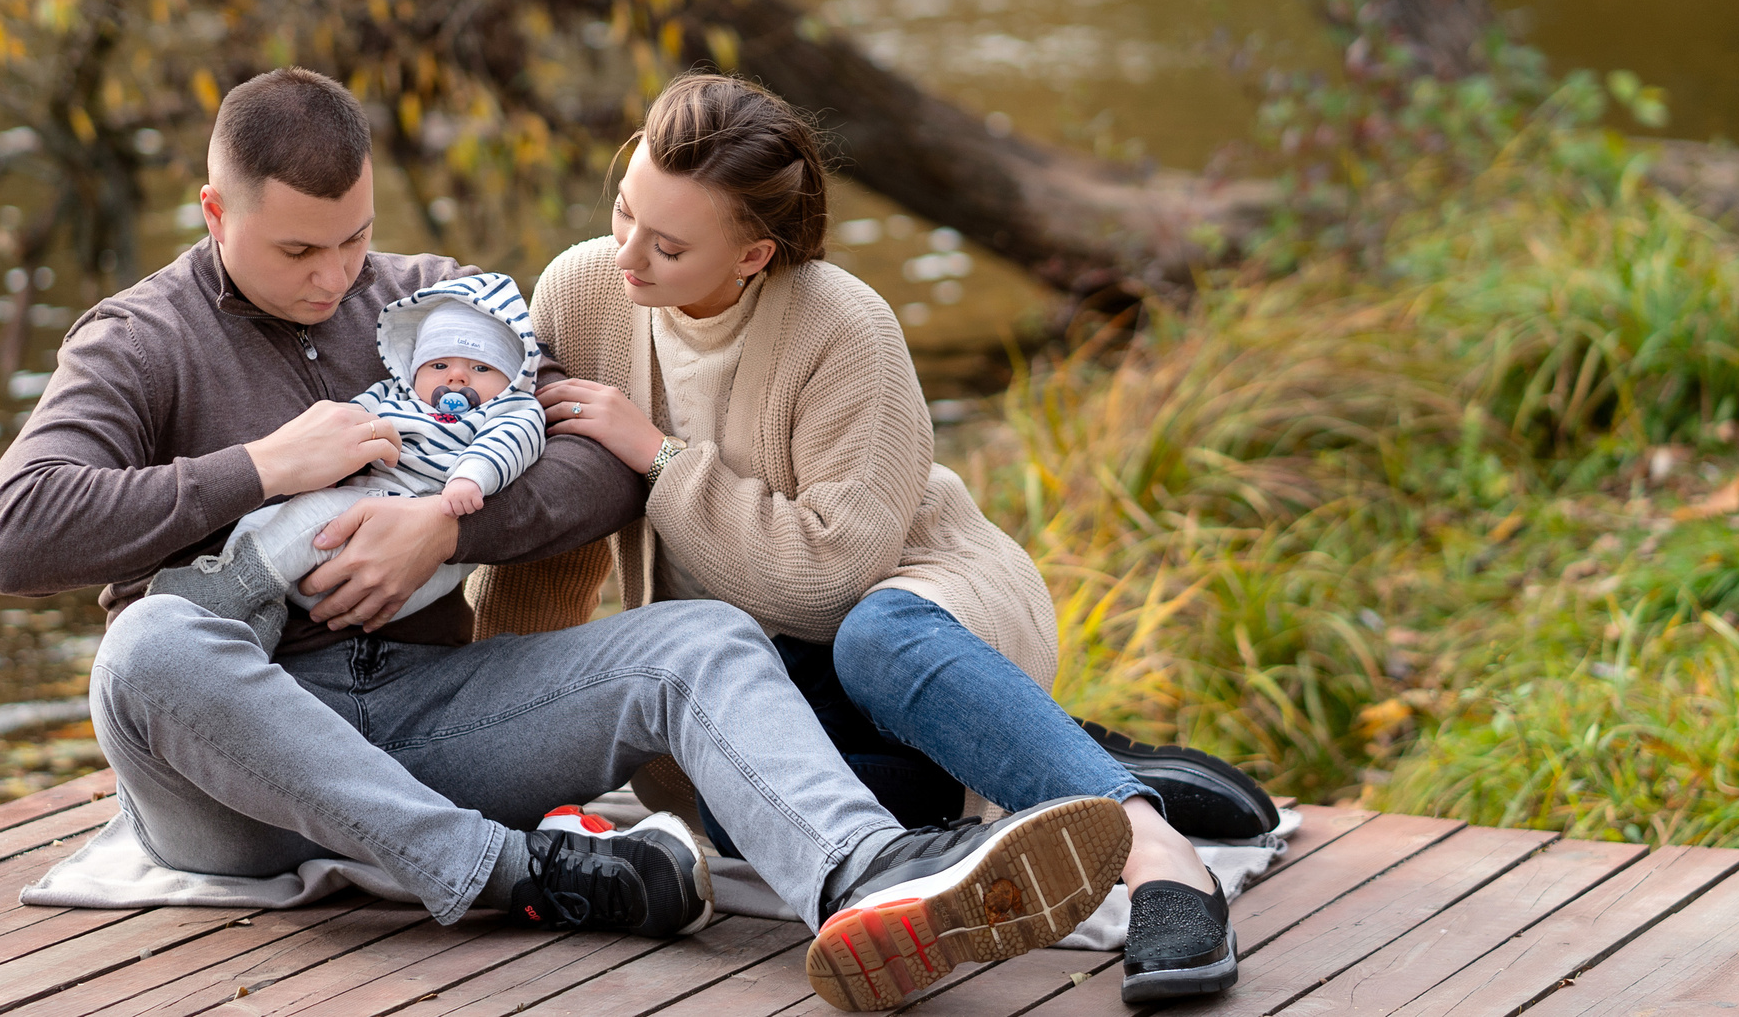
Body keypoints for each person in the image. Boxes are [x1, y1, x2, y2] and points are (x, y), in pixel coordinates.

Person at [0, 67, 1132, 1013]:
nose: (336, 279)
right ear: (215, 212)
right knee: (148, 650)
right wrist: (262, 470)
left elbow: (587, 464)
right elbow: (16, 537)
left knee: (699, 641)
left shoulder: (436, 302)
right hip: (235, 784)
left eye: (354, 239)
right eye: (296, 254)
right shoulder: (138, 340)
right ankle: (513, 873)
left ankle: (867, 874)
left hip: (421, 710)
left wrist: (441, 526)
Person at [513, 73, 1263, 1005]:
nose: (627, 256)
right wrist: (508, 722)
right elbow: (550, 526)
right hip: (760, 672)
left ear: (753, 254)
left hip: (912, 606)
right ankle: (1021, 755)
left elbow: (831, 580)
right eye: (624, 211)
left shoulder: (844, 326)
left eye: (667, 244)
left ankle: (1158, 856)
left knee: (875, 638)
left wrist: (659, 456)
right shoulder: (581, 294)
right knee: (732, 807)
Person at [161, 274, 550, 653]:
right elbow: (350, 420)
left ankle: (232, 588)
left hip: (420, 537)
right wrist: (333, 457)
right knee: (260, 520)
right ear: (415, 369)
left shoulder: (511, 410)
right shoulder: (397, 396)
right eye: (439, 365)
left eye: (481, 368)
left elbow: (507, 444)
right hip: (347, 527)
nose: (457, 378)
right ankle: (260, 619)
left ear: (513, 377)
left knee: (314, 514)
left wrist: (470, 478)